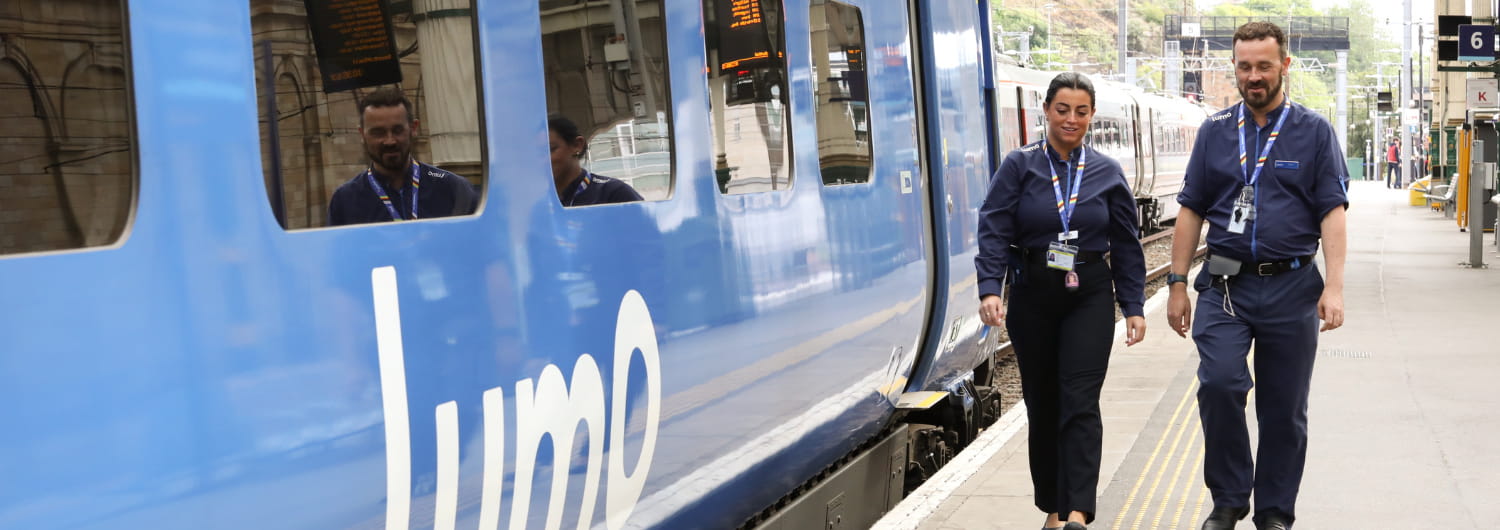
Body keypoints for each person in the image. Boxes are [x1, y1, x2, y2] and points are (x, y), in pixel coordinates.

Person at [1164, 21, 1347, 530]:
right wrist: (1176, 285)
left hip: (1292, 286)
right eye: (1244, 67)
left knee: (1283, 408)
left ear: (1284, 65)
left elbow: (1332, 211)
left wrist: (1334, 286)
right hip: (1226, 285)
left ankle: (1273, 513)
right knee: (1219, 384)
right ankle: (1228, 499)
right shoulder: (1215, 131)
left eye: (1264, 66)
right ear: (1235, 68)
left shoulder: (1314, 132)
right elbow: (1191, 210)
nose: (1254, 76)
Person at [975, 72, 1147, 530]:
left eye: (1082, 111)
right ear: (1046, 111)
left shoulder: (1107, 171)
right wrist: (990, 287)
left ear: (1092, 116)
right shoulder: (1020, 166)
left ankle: (1077, 511)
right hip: (1033, 293)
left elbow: (1126, 243)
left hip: (1088, 292)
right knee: (1044, 402)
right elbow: (994, 227)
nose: (1072, 119)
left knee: (1081, 399)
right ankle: (1053, 506)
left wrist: (1133, 305)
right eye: (1063, 110)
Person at [327, 87, 479, 226]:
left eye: (398, 130)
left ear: (413, 128)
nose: (390, 141)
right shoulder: (345, 200)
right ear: (362, 134)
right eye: (378, 133)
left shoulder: (453, 188)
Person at [548, 115, 644, 207]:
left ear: (577, 145)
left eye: (550, 149)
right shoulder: (542, 202)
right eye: (539, 153)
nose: (542, 160)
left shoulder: (614, 194)